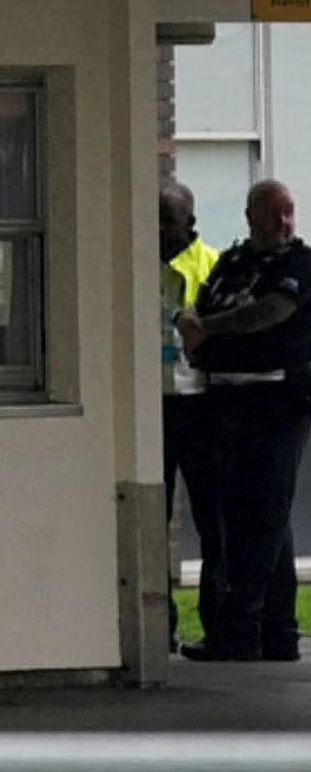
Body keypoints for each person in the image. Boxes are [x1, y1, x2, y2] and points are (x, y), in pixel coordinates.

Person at [181, 178, 311, 662]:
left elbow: (269, 313)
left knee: (262, 516)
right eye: (274, 213)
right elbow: (207, 299)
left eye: (290, 212)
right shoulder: (235, 262)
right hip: (227, 400)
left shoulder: (300, 263)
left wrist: (206, 328)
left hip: (277, 400)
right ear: (250, 216)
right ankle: (278, 633)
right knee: (255, 514)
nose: (284, 222)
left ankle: (238, 631)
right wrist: (191, 318)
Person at [163, 177, 218, 649]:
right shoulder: (137, 261)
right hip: (153, 405)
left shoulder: (212, 266)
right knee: (151, 518)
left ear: (191, 223)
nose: (160, 231)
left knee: (211, 516)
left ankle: (217, 622)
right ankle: (158, 627)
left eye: (169, 221)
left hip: (200, 404)